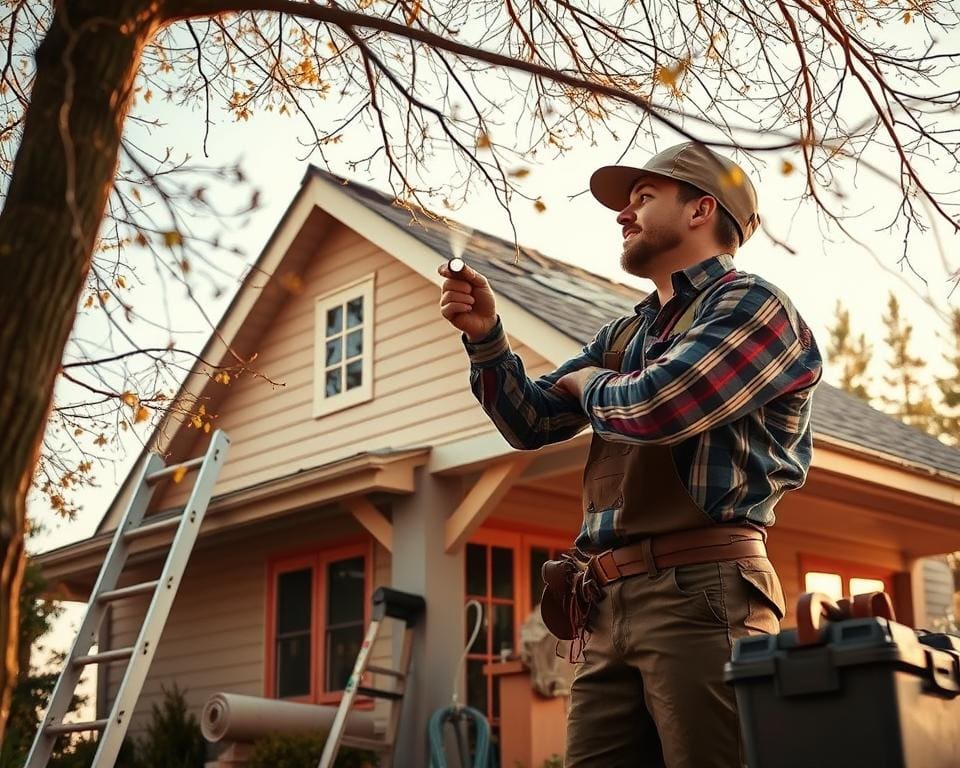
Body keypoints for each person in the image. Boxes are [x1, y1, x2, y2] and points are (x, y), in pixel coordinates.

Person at [438, 142, 823, 768]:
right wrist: (487, 340)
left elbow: (657, 406)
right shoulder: (625, 333)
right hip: (605, 603)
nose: (623, 213)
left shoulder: (754, 306)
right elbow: (531, 421)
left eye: (643, 197)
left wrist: (589, 383)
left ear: (700, 210)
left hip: (705, 592)